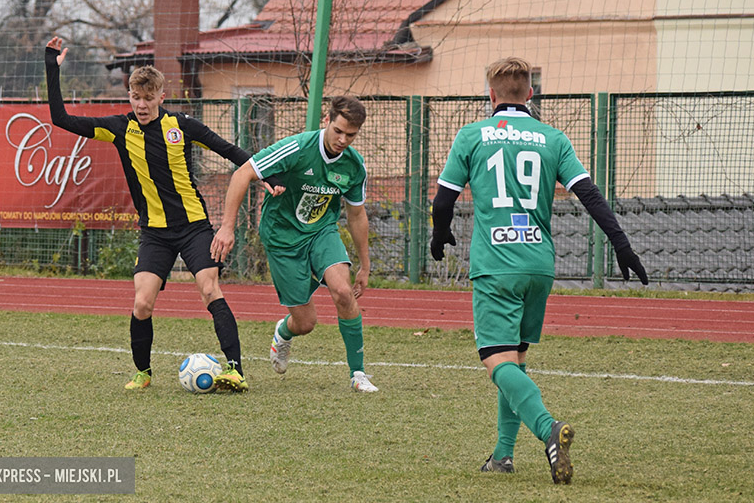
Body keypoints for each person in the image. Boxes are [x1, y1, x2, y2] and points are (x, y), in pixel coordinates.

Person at [430, 57, 648, 483]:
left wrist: (440, 236)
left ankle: (547, 428)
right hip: (538, 265)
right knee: (516, 357)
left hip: (496, 266)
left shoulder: (472, 135)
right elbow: (590, 195)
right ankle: (502, 455)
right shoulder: (552, 138)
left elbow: (442, 202)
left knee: (495, 360)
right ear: (531, 94)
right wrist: (622, 245)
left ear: (490, 95)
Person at [44, 37, 284, 392]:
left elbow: (229, 149)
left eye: (147, 98)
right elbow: (60, 118)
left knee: (209, 288)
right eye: (135, 98)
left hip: (193, 228)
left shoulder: (182, 125)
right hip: (154, 232)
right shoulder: (118, 129)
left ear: (161, 96)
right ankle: (143, 373)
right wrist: (52, 68)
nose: (141, 105)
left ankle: (235, 370)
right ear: (129, 96)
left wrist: (266, 175)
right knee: (142, 302)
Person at [210, 95, 378, 393]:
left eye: (350, 135)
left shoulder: (354, 167)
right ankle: (284, 332)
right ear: (326, 121)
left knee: (342, 291)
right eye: (338, 131)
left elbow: (356, 215)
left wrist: (365, 265)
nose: (342, 140)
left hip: (321, 232)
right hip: (282, 237)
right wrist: (226, 227)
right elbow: (242, 173)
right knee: (306, 322)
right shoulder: (297, 147)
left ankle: (358, 374)